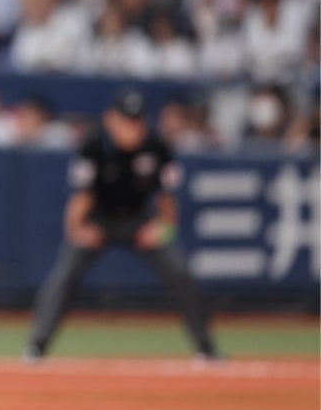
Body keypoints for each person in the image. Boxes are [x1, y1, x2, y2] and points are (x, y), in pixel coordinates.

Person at [24, 87, 219, 362]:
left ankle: (207, 348)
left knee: (180, 272)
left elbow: (167, 198)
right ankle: (36, 347)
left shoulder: (157, 146)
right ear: (111, 119)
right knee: (64, 274)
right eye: (127, 120)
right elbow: (81, 196)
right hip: (99, 218)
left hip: (140, 219)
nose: (133, 127)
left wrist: (164, 228)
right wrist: (78, 229)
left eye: (138, 120)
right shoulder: (94, 145)